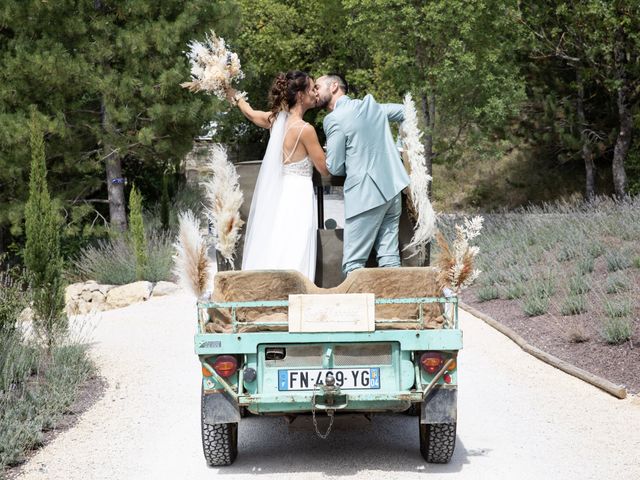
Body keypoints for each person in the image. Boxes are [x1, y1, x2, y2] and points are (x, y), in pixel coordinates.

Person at [226, 71, 329, 281]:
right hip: (299, 194)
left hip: (280, 192)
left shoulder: (274, 120)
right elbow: (325, 168)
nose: (315, 94)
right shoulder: (305, 130)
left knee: (277, 238)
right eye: (311, 89)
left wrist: (235, 96)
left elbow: (251, 113)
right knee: (296, 243)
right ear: (300, 95)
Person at [315, 74, 409, 275]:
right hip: (393, 189)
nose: (315, 91)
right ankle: (395, 304)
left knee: (354, 263)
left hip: (366, 194)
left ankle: (356, 306)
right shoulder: (372, 107)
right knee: (390, 258)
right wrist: (399, 150)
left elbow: (335, 167)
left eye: (317, 86)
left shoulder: (334, 119)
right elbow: (406, 111)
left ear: (333, 86)